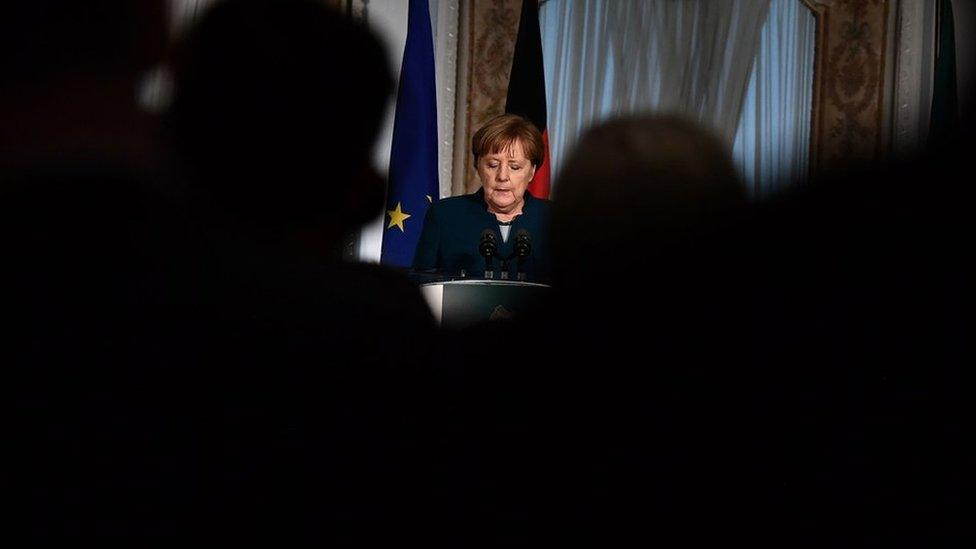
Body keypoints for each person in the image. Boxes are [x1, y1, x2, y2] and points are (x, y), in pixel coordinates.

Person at [413, 114, 552, 281]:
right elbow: (420, 285)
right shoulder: (445, 216)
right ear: (477, 166)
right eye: (493, 165)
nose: (502, 176)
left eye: (514, 167)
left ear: (532, 172)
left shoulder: (554, 219)